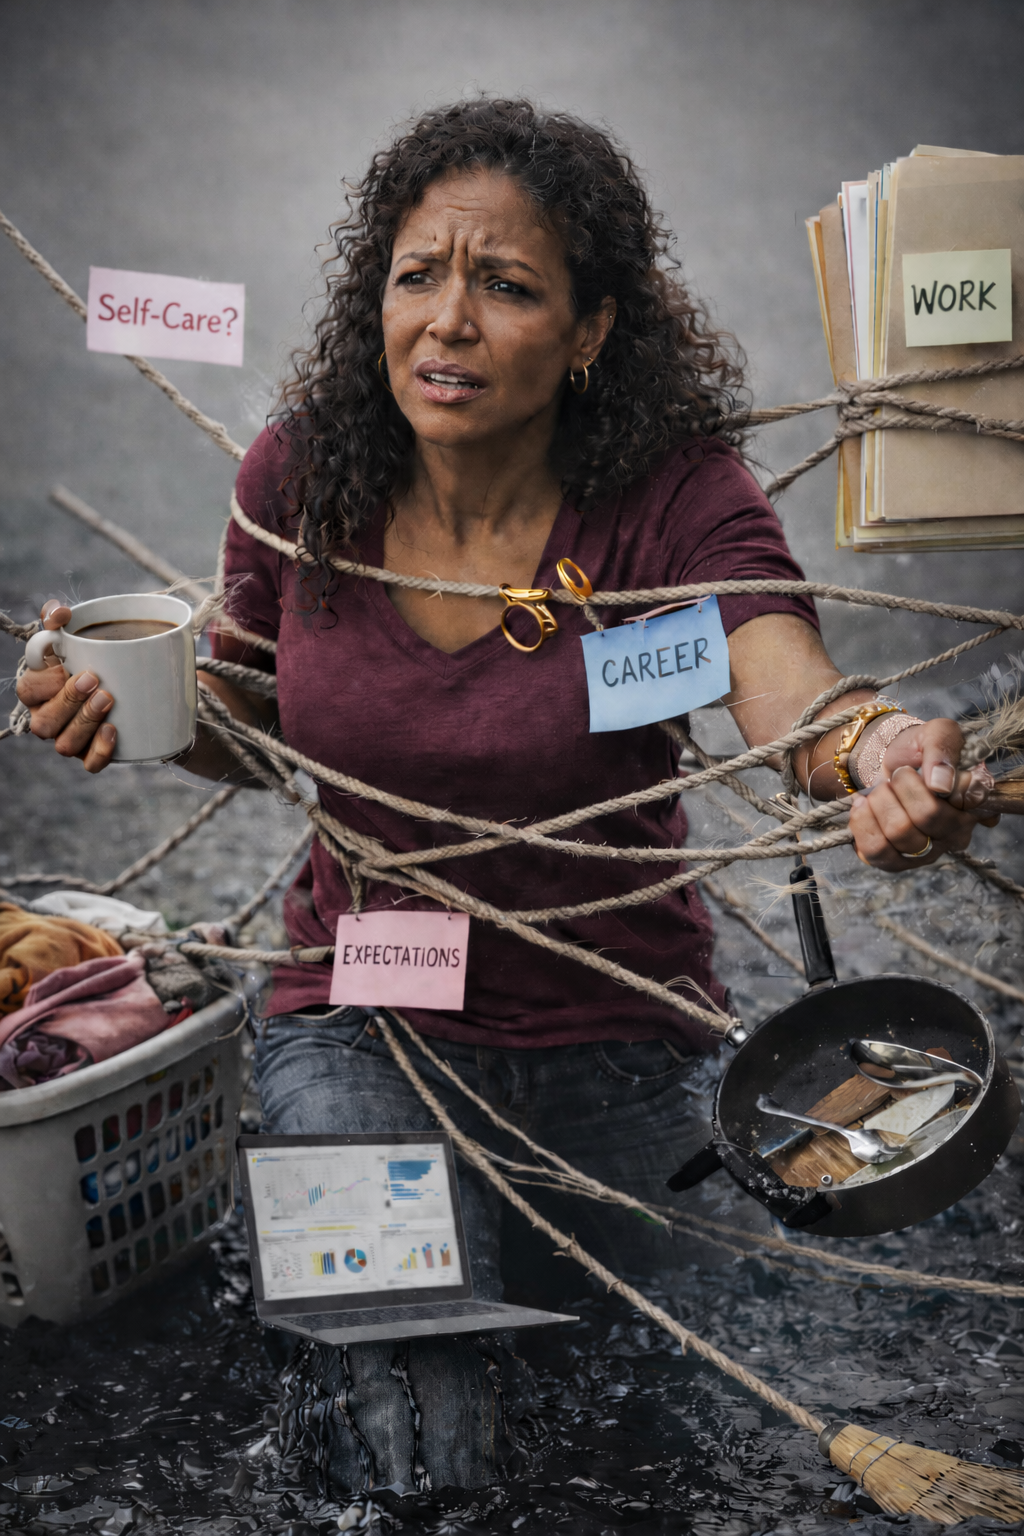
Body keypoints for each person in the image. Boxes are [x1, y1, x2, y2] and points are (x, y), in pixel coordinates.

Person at [18, 100, 993, 1490]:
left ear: (591, 331)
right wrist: (145, 714)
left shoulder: (671, 496)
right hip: (354, 1017)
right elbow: (252, 720)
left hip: (620, 1042)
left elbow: (793, 690)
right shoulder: (299, 478)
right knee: (412, 1441)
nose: (447, 322)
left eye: (507, 285)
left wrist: (882, 753)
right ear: (378, 293)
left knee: (672, 1418)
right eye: (418, 275)